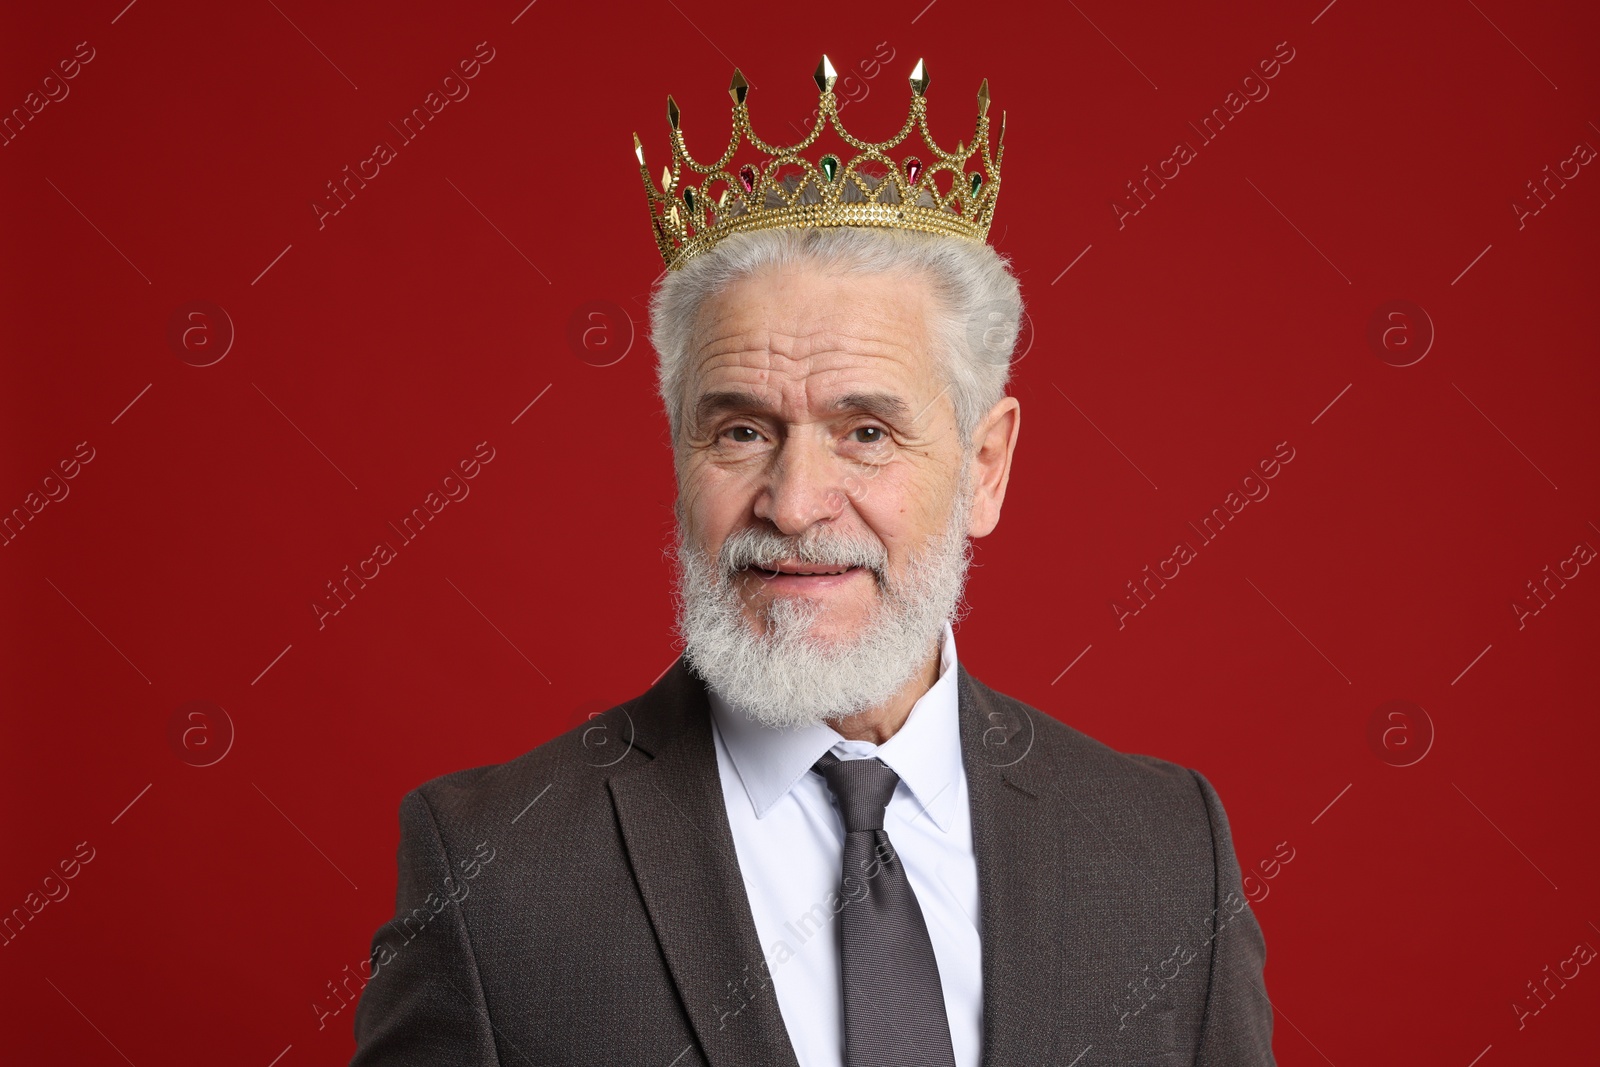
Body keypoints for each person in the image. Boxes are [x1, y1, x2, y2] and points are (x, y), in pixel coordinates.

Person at [350, 56, 1275, 1066]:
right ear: (678, 453)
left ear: (983, 465)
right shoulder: (495, 870)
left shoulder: (1161, 849)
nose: (792, 504)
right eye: (741, 430)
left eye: (866, 431)